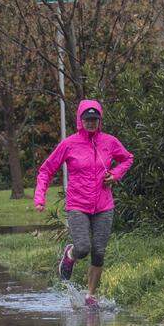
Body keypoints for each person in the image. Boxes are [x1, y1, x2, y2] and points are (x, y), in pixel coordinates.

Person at [34, 100, 134, 309]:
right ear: (80, 120)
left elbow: (127, 158)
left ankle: (90, 296)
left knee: (99, 251)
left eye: (94, 119)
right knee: (83, 247)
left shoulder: (109, 141)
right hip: (77, 204)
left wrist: (115, 175)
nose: (91, 123)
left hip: (104, 206)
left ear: (99, 120)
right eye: (87, 119)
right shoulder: (69, 144)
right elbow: (46, 170)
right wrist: (39, 197)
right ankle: (70, 254)